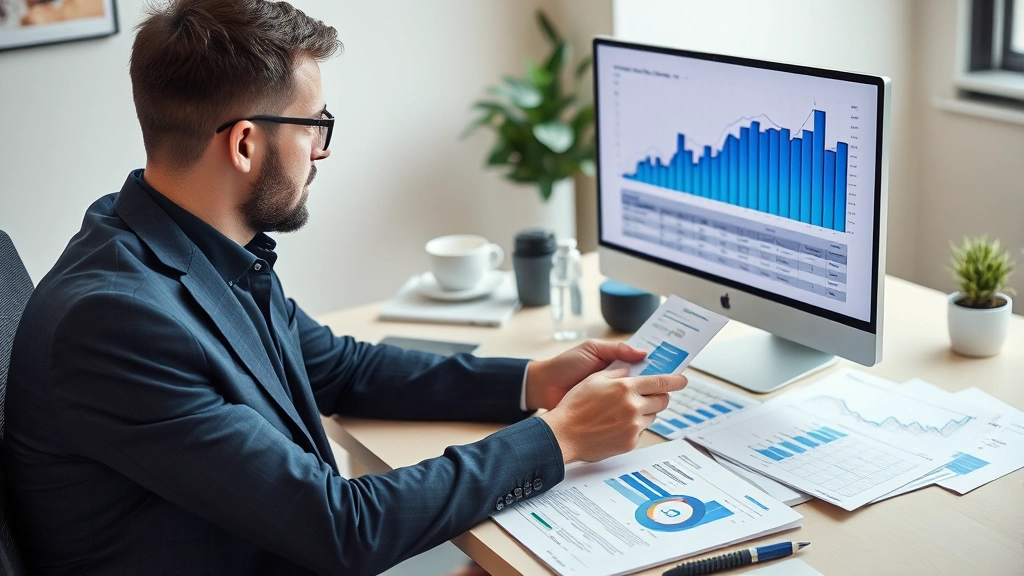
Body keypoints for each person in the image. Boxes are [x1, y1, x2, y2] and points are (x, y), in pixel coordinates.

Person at [3, 1, 686, 575]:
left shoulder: (182, 240)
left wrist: (533, 380)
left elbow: (338, 366)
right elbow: (341, 527)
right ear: (245, 144)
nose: (322, 151)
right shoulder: (118, 319)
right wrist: (558, 438)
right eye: (315, 127)